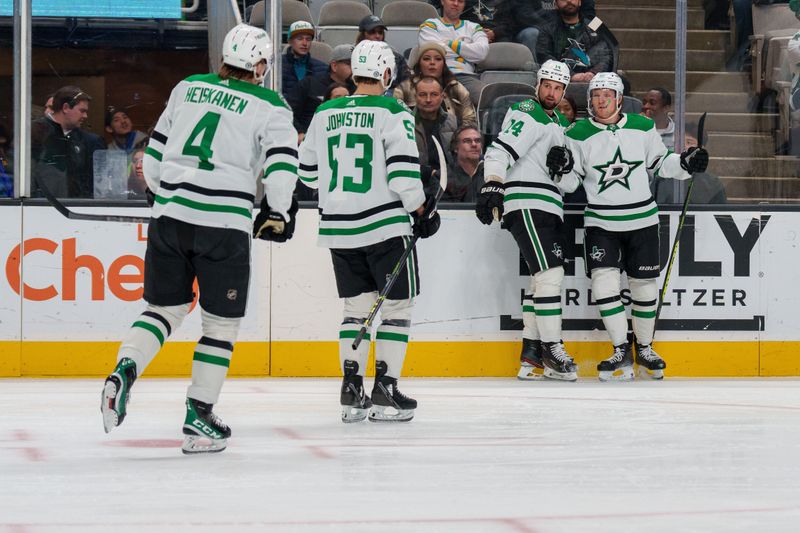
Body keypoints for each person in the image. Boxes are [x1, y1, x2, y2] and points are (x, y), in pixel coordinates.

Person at [100, 24, 299, 454]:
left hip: (170, 217)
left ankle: (126, 368)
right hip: (222, 225)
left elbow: (154, 153)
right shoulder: (270, 104)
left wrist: (161, 192)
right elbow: (281, 165)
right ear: (260, 65)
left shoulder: (187, 87)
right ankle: (199, 415)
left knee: (163, 309)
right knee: (220, 325)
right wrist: (279, 210)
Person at [298, 40, 441, 423]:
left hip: (338, 229)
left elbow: (307, 173)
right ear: (386, 74)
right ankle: (385, 390)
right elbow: (402, 173)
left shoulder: (324, 111)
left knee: (355, 310)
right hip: (383, 226)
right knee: (397, 309)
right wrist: (421, 209)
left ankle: (351, 389)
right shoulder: (393, 110)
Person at [549, 72, 709, 381]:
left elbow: (661, 163)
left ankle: (645, 348)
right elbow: (571, 184)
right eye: (595, 95)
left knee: (645, 287)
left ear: (620, 98)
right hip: (600, 222)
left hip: (643, 220)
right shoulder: (576, 133)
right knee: (604, 286)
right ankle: (620, 349)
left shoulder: (643, 126)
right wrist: (560, 170)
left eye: (607, 94)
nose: (600, 100)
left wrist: (687, 163)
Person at [476, 60, 578, 382]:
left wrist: (563, 168)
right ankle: (552, 346)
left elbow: (570, 184)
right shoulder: (526, 110)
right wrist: (493, 182)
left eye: (558, 87)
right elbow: (500, 150)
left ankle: (531, 355)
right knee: (551, 274)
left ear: (564, 91)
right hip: (527, 203)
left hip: (549, 205)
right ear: (538, 84)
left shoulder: (560, 123)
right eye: (547, 85)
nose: (551, 92)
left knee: (540, 281)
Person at [30, 85, 97, 198]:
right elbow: (23, 173)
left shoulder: (79, 138)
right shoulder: (35, 132)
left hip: (72, 208)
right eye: (82, 111)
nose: (85, 116)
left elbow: (82, 180)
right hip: (39, 209)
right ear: (65, 108)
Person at [419, 0, 489, 106]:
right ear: (442, 1)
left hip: (466, 77)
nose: (456, 4)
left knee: (490, 97)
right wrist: (468, 49)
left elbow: (481, 53)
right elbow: (433, 51)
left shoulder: (473, 27)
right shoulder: (430, 24)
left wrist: (449, 43)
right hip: (437, 76)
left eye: (460, 1)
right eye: (452, 0)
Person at [393, 42, 477, 127]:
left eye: (438, 59)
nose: (432, 62)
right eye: (426, 59)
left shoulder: (456, 88)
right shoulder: (405, 88)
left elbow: (470, 121)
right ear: (419, 64)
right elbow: (393, 118)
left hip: (451, 138)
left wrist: (456, 136)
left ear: (444, 64)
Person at [289, 44, 355, 139]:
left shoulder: (358, 89)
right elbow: (288, 111)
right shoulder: (309, 84)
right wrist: (299, 132)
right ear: (334, 66)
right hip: (310, 141)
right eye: (349, 64)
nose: (354, 68)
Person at [536, 0, 613, 82]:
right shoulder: (547, 29)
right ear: (555, 5)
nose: (569, 1)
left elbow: (607, 54)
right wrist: (571, 75)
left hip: (595, 80)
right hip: (559, 79)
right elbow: (544, 56)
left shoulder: (595, 24)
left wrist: (593, 73)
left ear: (580, 2)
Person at [652, 126, 727, 205]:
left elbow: (720, 214)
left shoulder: (712, 183)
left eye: (689, 142)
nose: (683, 146)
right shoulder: (660, 179)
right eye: (678, 142)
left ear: (701, 148)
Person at [413, 76, 458, 183]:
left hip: (450, 183)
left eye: (434, 94)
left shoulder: (455, 123)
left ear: (442, 97)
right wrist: (429, 173)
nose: (428, 100)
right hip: (417, 182)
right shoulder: (403, 123)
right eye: (423, 95)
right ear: (415, 97)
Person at [356, 15, 409, 91]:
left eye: (380, 32)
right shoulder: (354, 57)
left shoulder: (397, 58)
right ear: (363, 34)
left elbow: (405, 86)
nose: (377, 36)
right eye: (372, 32)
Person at [282, 21, 327, 103]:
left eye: (308, 39)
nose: (304, 43)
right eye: (299, 39)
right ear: (290, 41)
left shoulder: (323, 69)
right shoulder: (277, 67)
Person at [444, 124, 484, 202]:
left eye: (477, 141)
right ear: (456, 148)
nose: (474, 144)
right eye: (467, 141)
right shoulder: (443, 177)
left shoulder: (493, 174)